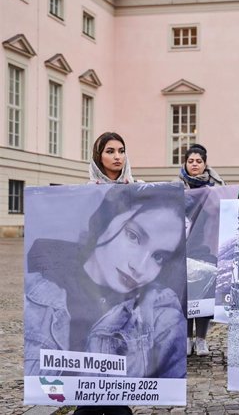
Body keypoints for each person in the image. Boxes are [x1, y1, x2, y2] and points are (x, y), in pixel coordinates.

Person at [25, 133, 186, 415]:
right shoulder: (44, 292)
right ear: (102, 223)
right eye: (134, 236)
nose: (140, 266)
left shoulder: (160, 309)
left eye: (122, 151)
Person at [179, 144, 225, 356]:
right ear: (185, 163)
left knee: (205, 292)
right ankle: (187, 338)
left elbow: (226, 204)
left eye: (199, 161)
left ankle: (201, 339)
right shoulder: (176, 185)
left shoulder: (217, 186)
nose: (195, 164)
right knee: (186, 294)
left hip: (207, 246)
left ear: (205, 164)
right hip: (182, 247)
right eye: (191, 161)